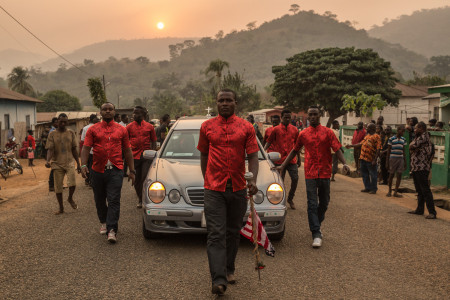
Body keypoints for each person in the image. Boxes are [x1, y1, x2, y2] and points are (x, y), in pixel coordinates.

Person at [197, 89, 259, 296]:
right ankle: (218, 280)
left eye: (228, 100)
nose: (224, 103)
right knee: (216, 234)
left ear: (235, 103)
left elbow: (252, 156)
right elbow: (204, 154)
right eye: (220, 100)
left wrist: (253, 180)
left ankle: (229, 269)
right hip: (214, 189)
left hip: (239, 187)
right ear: (216, 103)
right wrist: (207, 178)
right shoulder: (206, 127)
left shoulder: (246, 127)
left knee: (233, 232)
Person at [277, 106, 349, 248]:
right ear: (308, 117)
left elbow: (337, 149)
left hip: (325, 172)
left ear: (320, 115)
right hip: (310, 173)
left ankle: (317, 221)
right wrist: (283, 165)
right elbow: (294, 150)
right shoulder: (303, 134)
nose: (313, 117)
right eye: (311, 115)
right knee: (311, 203)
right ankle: (316, 233)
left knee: (324, 202)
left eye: (315, 114)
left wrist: (345, 163)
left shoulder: (328, 133)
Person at [80, 102, 136, 243]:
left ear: (114, 112)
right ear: (100, 112)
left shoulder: (122, 130)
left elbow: (128, 151)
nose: (107, 111)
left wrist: (131, 170)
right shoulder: (93, 130)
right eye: (104, 109)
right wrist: (83, 165)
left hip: (116, 170)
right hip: (97, 170)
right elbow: (86, 148)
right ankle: (104, 222)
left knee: (114, 199)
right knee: (99, 199)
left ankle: (112, 229)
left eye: (110, 109)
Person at [45, 113, 81, 215]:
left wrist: (78, 164)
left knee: (72, 183)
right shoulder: (52, 134)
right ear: (58, 122)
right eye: (61, 121)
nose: (63, 123)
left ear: (67, 122)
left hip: (69, 162)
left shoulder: (71, 133)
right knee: (58, 187)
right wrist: (48, 161)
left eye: (65, 121)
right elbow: (50, 150)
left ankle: (70, 198)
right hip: (57, 163)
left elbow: (74, 149)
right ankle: (61, 208)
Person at [265, 109, 300, 209]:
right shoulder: (275, 130)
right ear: (282, 117)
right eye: (286, 117)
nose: (288, 119)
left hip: (291, 160)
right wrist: (263, 152)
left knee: (295, 178)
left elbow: (297, 145)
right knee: (280, 182)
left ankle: (290, 198)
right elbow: (269, 141)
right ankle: (281, 200)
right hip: (279, 160)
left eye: (289, 117)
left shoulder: (295, 130)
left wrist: (299, 159)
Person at [126, 106, 157, 208]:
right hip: (134, 157)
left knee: (144, 178)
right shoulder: (129, 127)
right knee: (137, 179)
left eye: (137, 113)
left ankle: (144, 199)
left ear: (143, 115)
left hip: (146, 157)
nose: (134, 115)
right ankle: (140, 198)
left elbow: (153, 140)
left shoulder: (149, 127)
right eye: (134, 113)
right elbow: (125, 142)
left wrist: (152, 153)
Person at [408, 122, 437, 219]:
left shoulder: (424, 136)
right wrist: (412, 146)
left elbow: (412, 146)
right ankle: (419, 209)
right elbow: (411, 146)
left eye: (416, 128)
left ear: (421, 128)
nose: (414, 130)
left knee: (425, 190)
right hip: (416, 167)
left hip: (422, 167)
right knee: (419, 190)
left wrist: (412, 146)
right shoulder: (418, 137)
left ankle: (432, 212)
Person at [347, 123, 381, 194]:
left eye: (368, 128)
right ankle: (367, 187)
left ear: (372, 129)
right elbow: (360, 144)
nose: (366, 129)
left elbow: (378, 149)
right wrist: (351, 145)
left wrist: (375, 160)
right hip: (363, 158)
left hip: (370, 159)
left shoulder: (376, 136)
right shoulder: (367, 136)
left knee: (373, 174)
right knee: (364, 174)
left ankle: (374, 189)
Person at [386, 125, 406, 197]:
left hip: (400, 159)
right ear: (398, 130)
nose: (403, 132)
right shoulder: (391, 139)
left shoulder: (403, 139)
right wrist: (387, 162)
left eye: (404, 131)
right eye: (402, 131)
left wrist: (405, 162)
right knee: (391, 174)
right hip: (393, 159)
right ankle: (389, 190)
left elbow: (404, 151)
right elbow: (388, 151)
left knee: (399, 175)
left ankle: (396, 192)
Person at [81, 114, 99, 186]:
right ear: (93, 119)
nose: (98, 120)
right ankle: (92, 181)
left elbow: (82, 139)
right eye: (96, 118)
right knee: (93, 166)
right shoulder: (97, 127)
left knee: (87, 165)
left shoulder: (85, 128)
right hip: (94, 151)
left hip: (87, 150)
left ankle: (87, 179)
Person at [48, 117, 58, 192]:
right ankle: (51, 185)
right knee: (54, 169)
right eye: (56, 122)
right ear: (53, 123)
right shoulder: (52, 131)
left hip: (58, 153)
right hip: (54, 153)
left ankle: (57, 185)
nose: (58, 123)